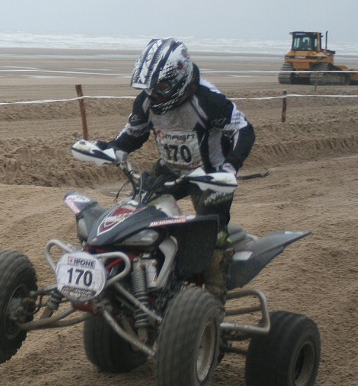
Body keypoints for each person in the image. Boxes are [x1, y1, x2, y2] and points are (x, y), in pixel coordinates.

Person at [104, 37, 255, 298]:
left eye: (160, 86)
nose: (154, 93)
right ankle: (141, 279)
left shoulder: (208, 99)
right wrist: (115, 148)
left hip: (210, 175)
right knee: (134, 213)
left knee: (212, 237)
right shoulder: (146, 101)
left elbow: (244, 129)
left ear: (180, 77)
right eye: (150, 87)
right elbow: (134, 133)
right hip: (171, 168)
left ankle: (213, 302)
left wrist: (230, 167)